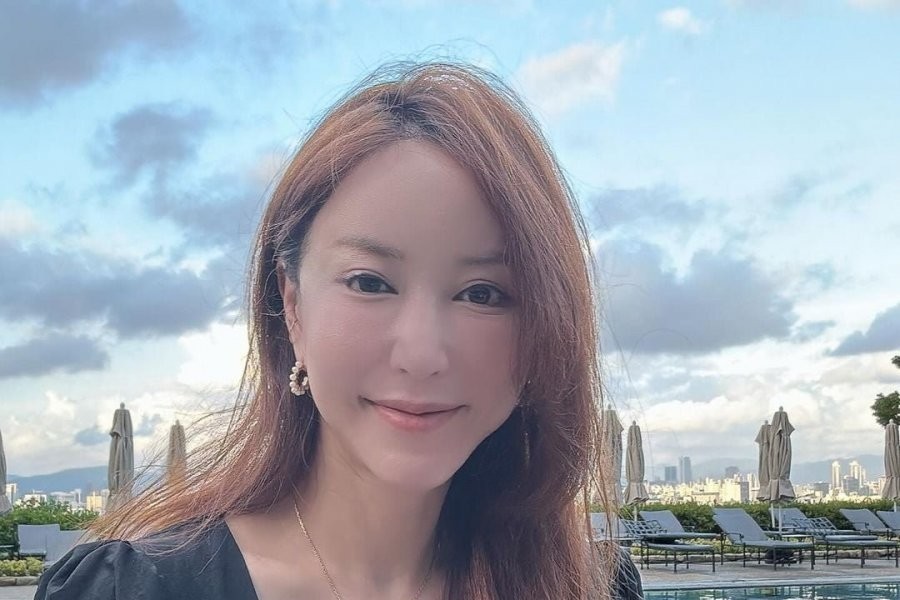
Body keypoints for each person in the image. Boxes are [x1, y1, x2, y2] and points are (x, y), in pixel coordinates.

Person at [35, 62, 642, 600]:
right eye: (370, 282)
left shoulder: (587, 585)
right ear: (292, 306)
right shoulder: (132, 590)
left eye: (482, 293)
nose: (422, 354)